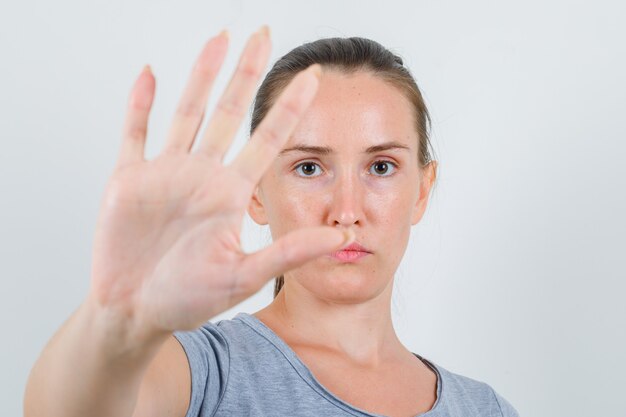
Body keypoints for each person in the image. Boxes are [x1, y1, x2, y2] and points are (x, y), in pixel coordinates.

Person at [23, 25, 519, 417]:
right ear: (256, 192)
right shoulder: (207, 373)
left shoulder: (485, 409)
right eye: (308, 168)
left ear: (422, 191)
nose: (346, 211)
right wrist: (114, 324)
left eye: (381, 167)